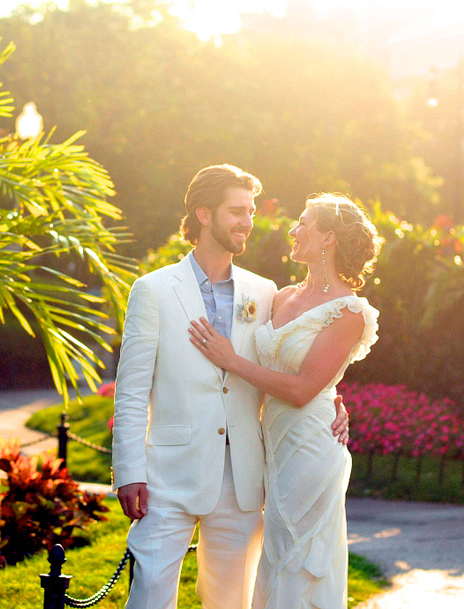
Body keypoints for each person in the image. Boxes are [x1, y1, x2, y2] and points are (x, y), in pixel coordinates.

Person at [112, 165, 349, 609]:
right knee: (148, 599)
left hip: (243, 481)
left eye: (251, 211)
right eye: (237, 211)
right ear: (204, 214)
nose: (248, 221)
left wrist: (330, 400)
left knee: (230, 602)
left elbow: (293, 360)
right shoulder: (154, 290)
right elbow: (130, 391)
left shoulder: (265, 293)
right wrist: (129, 471)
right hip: (167, 477)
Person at [189, 193, 380, 608]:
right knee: (274, 552)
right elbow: (286, 371)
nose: (293, 230)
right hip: (269, 441)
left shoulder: (349, 311)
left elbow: (301, 389)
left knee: (295, 551)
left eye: (304, 222)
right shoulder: (281, 295)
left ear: (328, 237)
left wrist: (231, 360)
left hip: (310, 444)